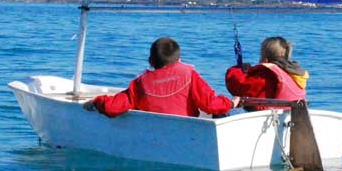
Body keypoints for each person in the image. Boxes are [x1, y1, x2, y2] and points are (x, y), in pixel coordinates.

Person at [85, 37, 238, 117]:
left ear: (151, 61)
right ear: (179, 59)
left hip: (154, 136)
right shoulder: (190, 75)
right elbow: (210, 105)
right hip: (185, 133)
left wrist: (97, 101)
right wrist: (231, 103)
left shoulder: (139, 83)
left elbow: (114, 106)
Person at [225, 36, 309, 109]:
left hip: (271, 118)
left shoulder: (267, 74)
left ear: (265, 60)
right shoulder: (295, 74)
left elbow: (239, 87)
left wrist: (237, 70)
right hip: (288, 115)